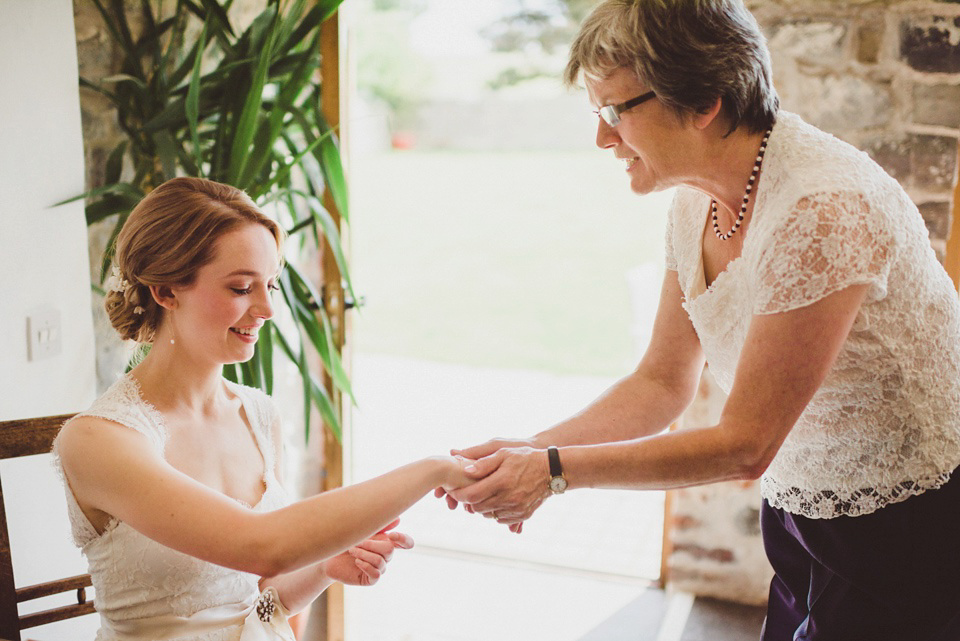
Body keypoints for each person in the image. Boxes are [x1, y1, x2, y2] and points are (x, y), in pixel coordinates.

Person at [439, 1, 960, 639]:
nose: (603, 138)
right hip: (801, 503)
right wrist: (531, 450)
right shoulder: (697, 199)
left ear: (704, 100)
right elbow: (660, 382)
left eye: (614, 112)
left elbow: (745, 444)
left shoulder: (822, 209)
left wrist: (553, 471)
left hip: (910, 525)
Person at [54, 176, 473, 641]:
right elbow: (262, 546)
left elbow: (257, 602)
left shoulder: (258, 415)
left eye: (270, 284)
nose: (268, 308)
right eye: (240, 288)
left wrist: (324, 570)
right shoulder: (97, 440)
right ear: (167, 292)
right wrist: (434, 469)